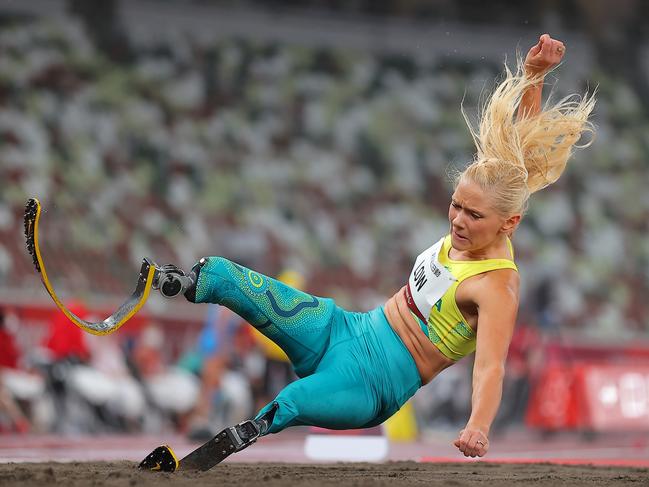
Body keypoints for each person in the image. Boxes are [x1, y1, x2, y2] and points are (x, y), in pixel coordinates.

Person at [152, 34, 595, 460]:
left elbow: (490, 367)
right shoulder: (488, 207)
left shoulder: (497, 287)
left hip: (372, 381)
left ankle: (223, 445)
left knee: (288, 402)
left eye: (474, 216)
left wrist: (478, 425)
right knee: (227, 275)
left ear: (510, 224)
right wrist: (534, 76)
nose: (459, 221)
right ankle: (172, 282)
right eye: (456, 206)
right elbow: (515, 160)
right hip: (344, 328)